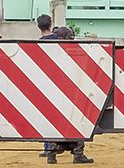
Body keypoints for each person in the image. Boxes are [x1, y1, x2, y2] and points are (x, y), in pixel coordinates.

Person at [45, 25, 94, 164]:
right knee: (77, 123)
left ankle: (51, 155)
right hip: (72, 95)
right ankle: (78, 154)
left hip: (55, 94)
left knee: (54, 123)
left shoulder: (50, 51)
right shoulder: (76, 52)